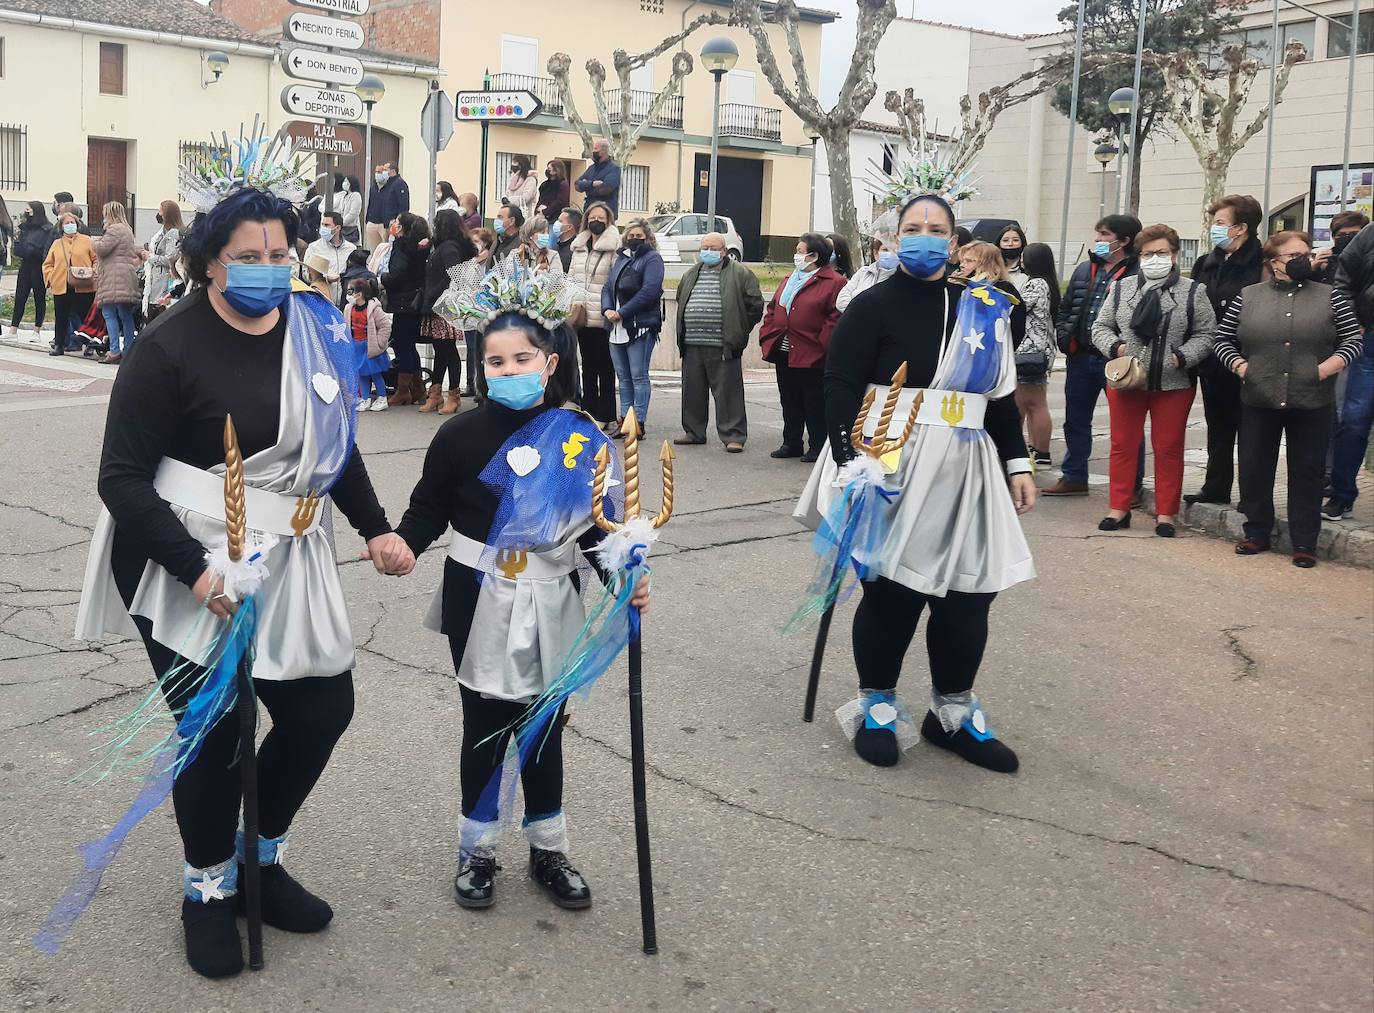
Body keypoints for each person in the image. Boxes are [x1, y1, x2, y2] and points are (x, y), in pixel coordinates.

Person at [71, 179, 413, 979]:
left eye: (280, 255)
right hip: (183, 554)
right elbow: (121, 479)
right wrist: (197, 574)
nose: (267, 269)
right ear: (209, 263)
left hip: (290, 552)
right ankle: (207, 889)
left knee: (323, 707)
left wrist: (378, 527)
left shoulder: (312, 329)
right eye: (248, 257)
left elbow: (334, 443)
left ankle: (259, 859)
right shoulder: (167, 346)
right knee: (218, 732)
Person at [394, 284, 649, 913]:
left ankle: (547, 847)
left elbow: (597, 524)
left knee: (544, 725)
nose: (508, 372)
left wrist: (625, 576)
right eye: (495, 362)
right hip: (476, 589)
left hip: (552, 588)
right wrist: (400, 543)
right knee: (483, 724)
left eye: (522, 360)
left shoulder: (579, 434)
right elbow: (428, 506)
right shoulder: (457, 435)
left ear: (550, 362)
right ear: (481, 364)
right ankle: (477, 850)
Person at [793, 191, 1036, 774]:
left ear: (954, 243)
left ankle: (952, 712)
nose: (924, 236)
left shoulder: (983, 307)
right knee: (894, 591)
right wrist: (852, 461)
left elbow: (997, 398)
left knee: (969, 594)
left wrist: (1018, 462)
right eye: (912, 227)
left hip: (968, 462)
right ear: (896, 239)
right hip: (891, 459)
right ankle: (877, 703)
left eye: (936, 228)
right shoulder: (870, 305)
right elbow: (841, 385)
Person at [1213, 231, 1363, 566]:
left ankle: (1304, 542)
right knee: (1254, 467)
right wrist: (1241, 367)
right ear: (1273, 262)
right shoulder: (1248, 296)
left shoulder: (1331, 297)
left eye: (1306, 254)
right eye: (1293, 255)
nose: (1303, 260)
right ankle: (1256, 533)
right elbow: (1221, 339)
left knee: (1308, 471)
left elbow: (1353, 339)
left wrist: (1325, 369)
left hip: (1313, 398)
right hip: (1258, 396)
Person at [1091, 224, 1217, 538]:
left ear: (1174, 255)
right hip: (1127, 380)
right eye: (1148, 254)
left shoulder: (1193, 291)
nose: (1155, 259)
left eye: (1162, 253)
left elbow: (1207, 333)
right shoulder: (1122, 288)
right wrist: (1116, 348)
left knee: (1169, 448)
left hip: (1173, 383)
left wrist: (1183, 356)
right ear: (1139, 256)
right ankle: (1118, 508)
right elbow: (1100, 327)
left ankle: (1166, 513)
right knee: (1122, 445)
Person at [1045, 213, 1143, 496]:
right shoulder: (1084, 269)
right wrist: (1065, 336)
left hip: (1118, 360)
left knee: (1126, 425)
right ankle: (1074, 476)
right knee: (1075, 420)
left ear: (1124, 241)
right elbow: (1066, 307)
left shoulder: (1138, 274)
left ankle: (1131, 486)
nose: (1098, 240)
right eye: (1098, 233)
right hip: (1081, 356)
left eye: (1104, 235)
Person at [1187, 194, 1264, 506]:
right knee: (1218, 429)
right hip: (1212, 361)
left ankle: (1251, 497)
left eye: (1220, 223)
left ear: (1240, 228)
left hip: (1248, 361)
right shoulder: (1207, 263)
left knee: (1251, 433)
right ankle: (1216, 487)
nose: (1214, 229)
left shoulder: (1262, 263)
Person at [673, 232, 764, 453]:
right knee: (692, 391)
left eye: (714, 248)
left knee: (728, 393)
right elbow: (680, 299)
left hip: (724, 344)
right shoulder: (690, 274)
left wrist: (739, 330)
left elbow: (755, 305)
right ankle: (694, 432)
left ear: (724, 251)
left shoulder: (741, 273)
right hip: (693, 343)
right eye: (705, 247)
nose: (709, 252)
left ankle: (733, 436)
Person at [760, 232, 846, 463]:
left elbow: (835, 316)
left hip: (812, 352)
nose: (796, 256)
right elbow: (772, 309)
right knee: (789, 398)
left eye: (800, 251)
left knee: (814, 401)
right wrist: (768, 332)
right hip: (784, 349)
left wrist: (822, 344)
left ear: (814, 255)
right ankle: (791, 442)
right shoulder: (790, 279)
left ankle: (817, 445)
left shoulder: (834, 282)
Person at [1323, 222, 1374, 522]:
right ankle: (1342, 496)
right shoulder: (1368, 235)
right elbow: (1342, 282)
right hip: (1369, 342)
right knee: (1354, 421)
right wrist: (1352, 322)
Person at [602, 218, 664, 438]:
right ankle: (624, 421)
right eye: (631, 234)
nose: (634, 239)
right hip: (616, 327)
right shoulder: (621, 258)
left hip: (639, 325)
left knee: (639, 376)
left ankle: (638, 422)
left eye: (639, 236)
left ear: (648, 238)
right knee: (624, 377)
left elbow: (649, 291)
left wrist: (623, 312)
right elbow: (608, 287)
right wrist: (607, 309)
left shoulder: (652, 259)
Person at [419, 208, 478, 415]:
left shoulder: (449, 248)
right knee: (440, 352)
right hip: (437, 304)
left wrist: (437, 292)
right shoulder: (444, 246)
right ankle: (435, 394)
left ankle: (453, 396)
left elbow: (455, 275)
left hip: (444, 306)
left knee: (449, 352)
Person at [569, 201, 621, 430]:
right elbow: (571, 277)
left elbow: (615, 281)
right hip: (582, 314)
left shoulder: (614, 247)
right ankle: (589, 411)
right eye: (592, 217)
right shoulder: (578, 246)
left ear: (608, 220)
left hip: (603, 314)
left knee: (605, 367)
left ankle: (607, 413)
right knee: (587, 366)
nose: (596, 221)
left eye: (600, 217)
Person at [1014, 242, 1060, 470]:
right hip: (1039, 350)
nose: (1021, 260)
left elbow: (1015, 306)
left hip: (1029, 351)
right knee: (1031, 402)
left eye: (1024, 257)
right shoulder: (1048, 283)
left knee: (1033, 403)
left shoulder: (1036, 284)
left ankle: (1041, 452)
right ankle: (1035, 449)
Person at [380, 212, 430, 406]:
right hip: (414, 301)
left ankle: (403, 391)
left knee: (402, 345)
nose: (393, 225)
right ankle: (417, 388)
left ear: (402, 228)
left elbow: (396, 275)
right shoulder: (421, 248)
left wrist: (383, 279)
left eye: (397, 223)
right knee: (408, 345)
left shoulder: (402, 247)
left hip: (404, 301)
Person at [92, 202, 141, 364]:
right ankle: (128, 349)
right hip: (126, 276)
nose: (103, 217)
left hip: (113, 277)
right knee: (125, 315)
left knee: (109, 313)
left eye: (105, 214)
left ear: (110, 214)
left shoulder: (114, 229)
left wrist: (95, 241)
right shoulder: (127, 230)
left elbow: (102, 249)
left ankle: (114, 351)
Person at [42, 209, 96, 357]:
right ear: (61, 226)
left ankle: (89, 345)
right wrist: (51, 277)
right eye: (67, 223)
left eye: (72, 222)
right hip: (62, 285)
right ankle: (59, 345)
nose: (70, 225)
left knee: (86, 316)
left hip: (84, 286)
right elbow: (47, 264)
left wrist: (94, 272)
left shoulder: (87, 241)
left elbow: (96, 259)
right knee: (61, 317)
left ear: (77, 224)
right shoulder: (57, 243)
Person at [838, 212, 899, 313]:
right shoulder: (863, 272)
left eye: (894, 250)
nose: (890, 254)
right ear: (876, 253)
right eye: (885, 250)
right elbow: (841, 301)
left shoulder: (902, 277)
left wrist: (856, 297)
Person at [7, 201, 49, 341]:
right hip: (25, 265)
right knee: (20, 297)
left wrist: (33, 250)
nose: (27, 212)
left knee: (39, 298)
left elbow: (45, 249)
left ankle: (37, 331)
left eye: (29, 209)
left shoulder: (46, 228)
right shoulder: (25, 227)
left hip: (39, 266)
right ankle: (13, 330)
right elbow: (18, 247)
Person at [349, 276, 393, 412]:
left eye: (350, 291)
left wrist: (379, 343)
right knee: (361, 373)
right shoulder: (349, 308)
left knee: (375, 374)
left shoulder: (374, 309)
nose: (348, 295)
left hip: (370, 346)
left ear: (359, 294)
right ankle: (365, 398)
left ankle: (382, 397)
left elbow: (386, 326)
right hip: (356, 345)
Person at [464, 228, 496, 396]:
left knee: (483, 349)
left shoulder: (490, 261)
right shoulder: (469, 261)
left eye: (477, 241)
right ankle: (471, 382)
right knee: (471, 348)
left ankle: (482, 385)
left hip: (486, 311)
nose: (474, 245)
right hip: (470, 312)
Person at [141, 201, 184, 325]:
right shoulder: (162, 233)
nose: (158, 214)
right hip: (156, 283)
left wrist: (151, 257)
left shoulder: (173, 234)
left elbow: (170, 259)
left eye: (160, 211)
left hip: (164, 284)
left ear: (167, 214)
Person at [305, 211, 357, 303]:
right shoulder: (314, 248)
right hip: (322, 299)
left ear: (337, 228)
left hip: (345, 301)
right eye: (322, 224)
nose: (323, 228)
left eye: (327, 225)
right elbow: (306, 274)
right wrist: (324, 278)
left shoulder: (351, 249)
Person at [1312, 211, 1369, 286]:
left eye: (1354, 234)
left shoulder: (1369, 258)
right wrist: (1313, 269)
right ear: (1333, 237)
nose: (1347, 237)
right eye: (1341, 235)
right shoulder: (1324, 258)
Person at [366, 163, 410, 249]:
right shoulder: (379, 186)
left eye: (385, 170)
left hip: (389, 223)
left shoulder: (399, 184)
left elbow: (403, 205)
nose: (382, 173)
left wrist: (398, 221)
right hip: (377, 221)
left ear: (393, 171)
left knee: (387, 248)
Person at [574, 139, 622, 217]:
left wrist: (586, 188)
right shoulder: (591, 168)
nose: (593, 151)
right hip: (588, 212)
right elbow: (577, 185)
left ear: (604, 151)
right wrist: (592, 184)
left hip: (606, 213)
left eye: (595, 149)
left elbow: (606, 189)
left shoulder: (614, 168)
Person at [504, 155, 538, 221]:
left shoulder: (531, 179)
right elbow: (508, 192)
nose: (513, 167)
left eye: (515, 164)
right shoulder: (514, 178)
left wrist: (509, 200)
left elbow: (526, 197)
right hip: (510, 214)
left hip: (522, 216)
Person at [334, 174, 363, 245]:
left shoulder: (356, 195)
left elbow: (353, 214)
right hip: (342, 228)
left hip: (350, 229)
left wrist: (341, 222)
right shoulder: (344, 196)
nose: (344, 183)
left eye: (346, 181)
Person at [555, 207, 581, 272]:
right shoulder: (557, 246)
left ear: (569, 227)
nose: (556, 223)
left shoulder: (574, 250)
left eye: (560, 221)